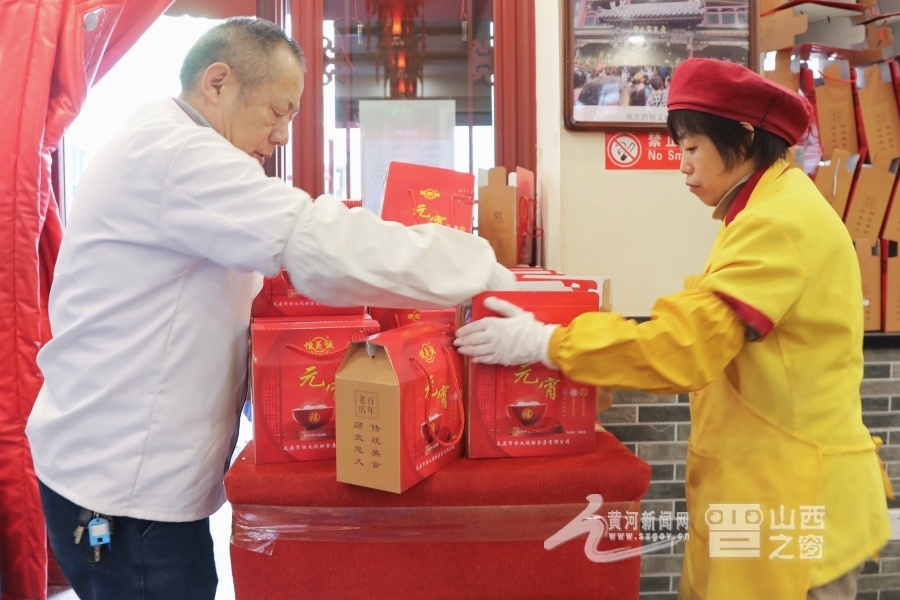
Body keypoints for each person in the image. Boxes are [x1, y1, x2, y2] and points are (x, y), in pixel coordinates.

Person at [27, 17, 515, 600]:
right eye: (277, 111)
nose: (282, 135)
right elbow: (313, 240)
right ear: (218, 83)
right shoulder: (179, 156)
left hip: (115, 462)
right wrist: (479, 270)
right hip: (124, 488)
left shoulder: (164, 140)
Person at [455, 57, 892, 600]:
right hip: (761, 481)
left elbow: (686, 346)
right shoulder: (767, 208)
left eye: (691, 148)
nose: (682, 167)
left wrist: (547, 342)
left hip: (792, 493)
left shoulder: (777, 222)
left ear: (744, 137)